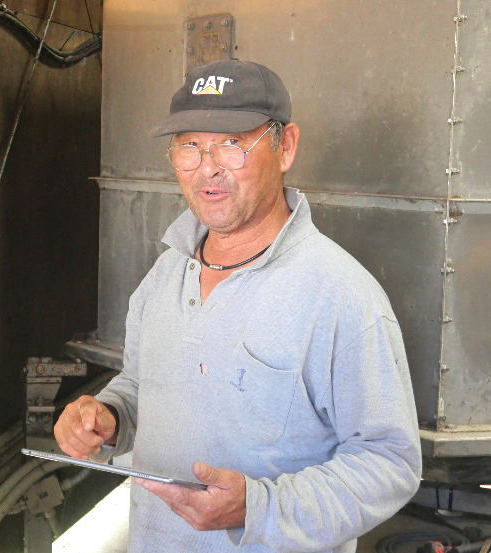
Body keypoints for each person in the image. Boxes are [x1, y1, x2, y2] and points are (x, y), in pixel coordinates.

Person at [53, 59, 422, 553]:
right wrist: (109, 415)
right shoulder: (166, 273)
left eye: (232, 143)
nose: (208, 166)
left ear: (285, 146)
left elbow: (390, 462)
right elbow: (144, 385)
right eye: (190, 146)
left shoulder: (340, 296)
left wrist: (259, 507)